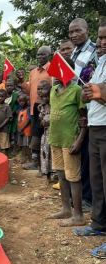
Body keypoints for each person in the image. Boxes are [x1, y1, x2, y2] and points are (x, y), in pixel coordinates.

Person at [76, 20, 106, 260]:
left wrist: (99, 91)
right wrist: (88, 93)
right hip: (96, 127)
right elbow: (95, 90)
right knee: (97, 180)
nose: (102, 43)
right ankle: (99, 223)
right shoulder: (102, 61)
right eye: (100, 39)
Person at [47, 58, 87, 227]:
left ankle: (78, 215)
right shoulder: (53, 90)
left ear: (69, 71)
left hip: (70, 140)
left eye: (59, 70)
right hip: (55, 138)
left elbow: (84, 117)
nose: (55, 75)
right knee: (61, 175)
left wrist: (79, 141)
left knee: (73, 177)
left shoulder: (77, 90)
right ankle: (66, 209)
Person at [24, 47, 52, 171]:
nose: (40, 57)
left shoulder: (53, 69)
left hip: (48, 109)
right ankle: (36, 162)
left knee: (46, 136)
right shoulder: (33, 72)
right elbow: (31, 90)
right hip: (35, 108)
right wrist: (21, 82)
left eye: (43, 54)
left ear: (49, 55)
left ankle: (48, 165)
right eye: (38, 54)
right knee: (36, 136)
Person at [69, 18, 98, 86]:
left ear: (87, 30)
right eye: (71, 32)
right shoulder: (74, 51)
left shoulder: (96, 50)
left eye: (78, 31)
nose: (74, 35)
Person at [38, 87, 53, 183]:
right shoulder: (42, 108)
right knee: (45, 155)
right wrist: (42, 123)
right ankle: (47, 175)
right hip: (46, 134)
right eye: (43, 97)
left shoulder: (54, 107)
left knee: (53, 156)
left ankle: (55, 175)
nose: (45, 99)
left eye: (47, 97)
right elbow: (40, 122)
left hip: (54, 134)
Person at [17, 94, 31, 163]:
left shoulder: (28, 109)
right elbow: (18, 120)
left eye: (23, 101)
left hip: (26, 130)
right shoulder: (20, 110)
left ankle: (30, 159)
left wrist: (22, 128)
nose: (21, 103)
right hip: (20, 131)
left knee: (26, 145)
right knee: (22, 145)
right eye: (20, 101)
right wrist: (19, 128)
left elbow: (28, 120)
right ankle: (23, 158)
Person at [5, 78, 19, 147]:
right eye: (8, 86)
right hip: (5, 116)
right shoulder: (3, 95)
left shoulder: (16, 95)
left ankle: (15, 147)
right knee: (7, 132)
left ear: (14, 86)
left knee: (14, 131)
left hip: (14, 116)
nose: (9, 87)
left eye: (11, 85)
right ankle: (8, 146)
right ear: (5, 86)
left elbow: (18, 104)